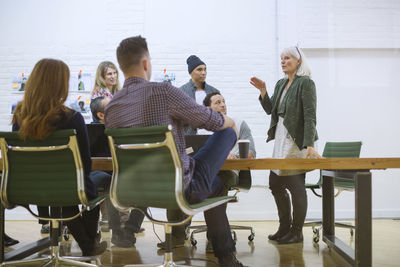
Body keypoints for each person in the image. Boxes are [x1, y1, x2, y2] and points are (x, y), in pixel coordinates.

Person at [105, 36, 246, 267]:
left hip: (135, 189)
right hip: (179, 187)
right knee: (227, 136)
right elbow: (210, 121)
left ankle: (219, 253)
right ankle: (227, 258)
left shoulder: (112, 106)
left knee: (206, 175)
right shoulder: (164, 92)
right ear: (145, 64)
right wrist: (229, 121)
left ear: (120, 67)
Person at [12, 58, 108, 256]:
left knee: (63, 189)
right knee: (100, 180)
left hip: (27, 188)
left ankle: (88, 244)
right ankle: (88, 244)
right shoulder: (72, 118)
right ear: (59, 85)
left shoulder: (19, 117)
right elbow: (84, 163)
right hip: (68, 187)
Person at [250, 46, 321, 245]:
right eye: (281, 58)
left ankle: (296, 232)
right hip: (281, 139)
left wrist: (308, 144)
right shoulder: (281, 83)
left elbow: (310, 115)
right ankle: (284, 227)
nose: (283, 61)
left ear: (298, 61)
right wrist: (263, 91)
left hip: (297, 141)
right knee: (276, 184)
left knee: (296, 185)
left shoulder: (305, 83)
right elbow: (271, 110)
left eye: (287, 58)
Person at [89, 96, 145, 248]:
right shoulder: (91, 132)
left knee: (147, 184)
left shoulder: (124, 128)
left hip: (121, 173)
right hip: (99, 175)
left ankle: (130, 230)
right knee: (109, 182)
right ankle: (116, 232)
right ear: (101, 115)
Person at [180, 55, 220, 135]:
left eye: (205, 69)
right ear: (191, 72)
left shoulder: (214, 91)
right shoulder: (181, 92)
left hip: (212, 136)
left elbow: (221, 115)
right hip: (190, 137)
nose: (203, 73)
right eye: (199, 70)